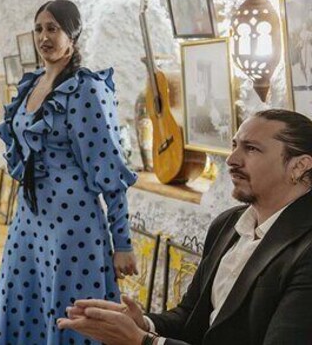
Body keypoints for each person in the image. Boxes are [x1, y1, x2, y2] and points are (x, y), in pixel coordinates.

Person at [58, 109, 312, 345]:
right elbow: (191, 315)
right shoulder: (228, 224)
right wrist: (143, 322)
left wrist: (145, 341)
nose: (232, 160)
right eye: (234, 146)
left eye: (252, 149)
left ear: (299, 166)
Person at [0, 0, 138, 345]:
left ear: (72, 34)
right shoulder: (31, 85)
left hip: (73, 227)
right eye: (39, 29)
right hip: (28, 220)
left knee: (70, 316)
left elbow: (110, 171)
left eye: (53, 28)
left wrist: (123, 243)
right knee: (20, 304)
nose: (44, 37)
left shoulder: (88, 89)